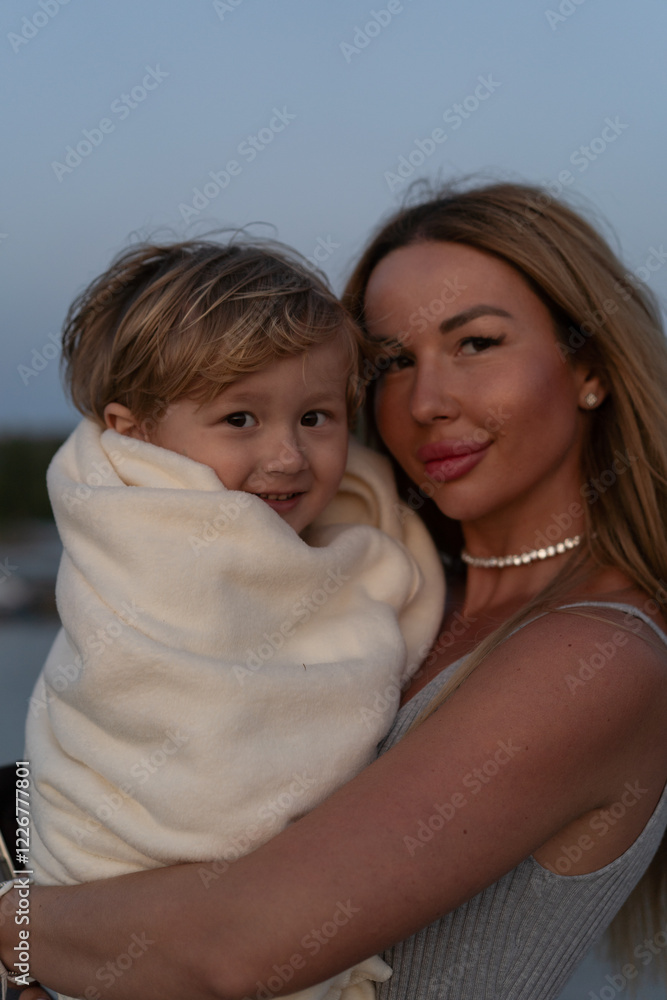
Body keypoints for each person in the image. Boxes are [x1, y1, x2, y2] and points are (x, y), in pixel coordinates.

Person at [2, 180, 666, 1000]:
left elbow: (237, 946)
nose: (427, 402)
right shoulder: (376, 582)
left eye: (476, 343)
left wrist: (14, 926)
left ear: (590, 367)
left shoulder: (597, 656)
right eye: (392, 363)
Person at [13, 239, 445, 1000]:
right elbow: (189, 731)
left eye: (316, 417)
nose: (288, 456)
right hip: (120, 906)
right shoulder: (148, 544)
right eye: (239, 417)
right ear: (134, 436)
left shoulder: (340, 536)